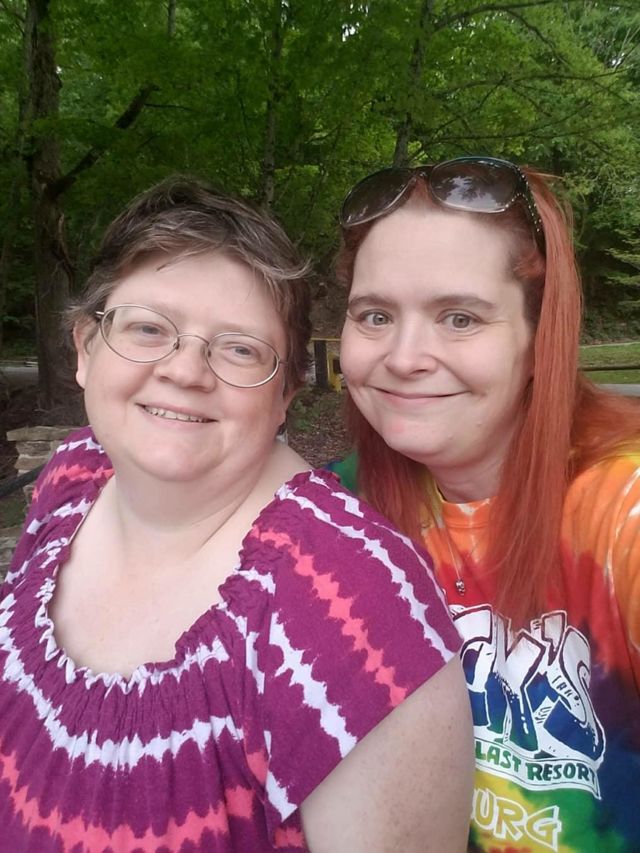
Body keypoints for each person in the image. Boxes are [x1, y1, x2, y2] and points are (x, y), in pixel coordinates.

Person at [0, 177, 474, 852]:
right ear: (85, 349)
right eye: (147, 328)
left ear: (284, 397)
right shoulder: (72, 477)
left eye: (239, 348)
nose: (186, 371)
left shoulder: (354, 604)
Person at [330, 156, 640, 852]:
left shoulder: (619, 501)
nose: (404, 356)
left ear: (538, 338)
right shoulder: (340, 511)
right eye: (375, 315)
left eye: (460, 318)